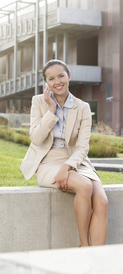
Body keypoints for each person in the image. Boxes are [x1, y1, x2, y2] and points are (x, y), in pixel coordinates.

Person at [20, 59, 108, 247]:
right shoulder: (39, 102)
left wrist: (67, 166)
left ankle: (99, 260)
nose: (57, 81)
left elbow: (83, 147)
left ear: (69, 76)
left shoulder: (82, 107)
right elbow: (35, 139)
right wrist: (51, 110)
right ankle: (84, 247)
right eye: (51, 78)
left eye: (61, 75)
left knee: (102, 200)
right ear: (46, 83)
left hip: (78, 161)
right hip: (48, 161)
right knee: (84, 186)